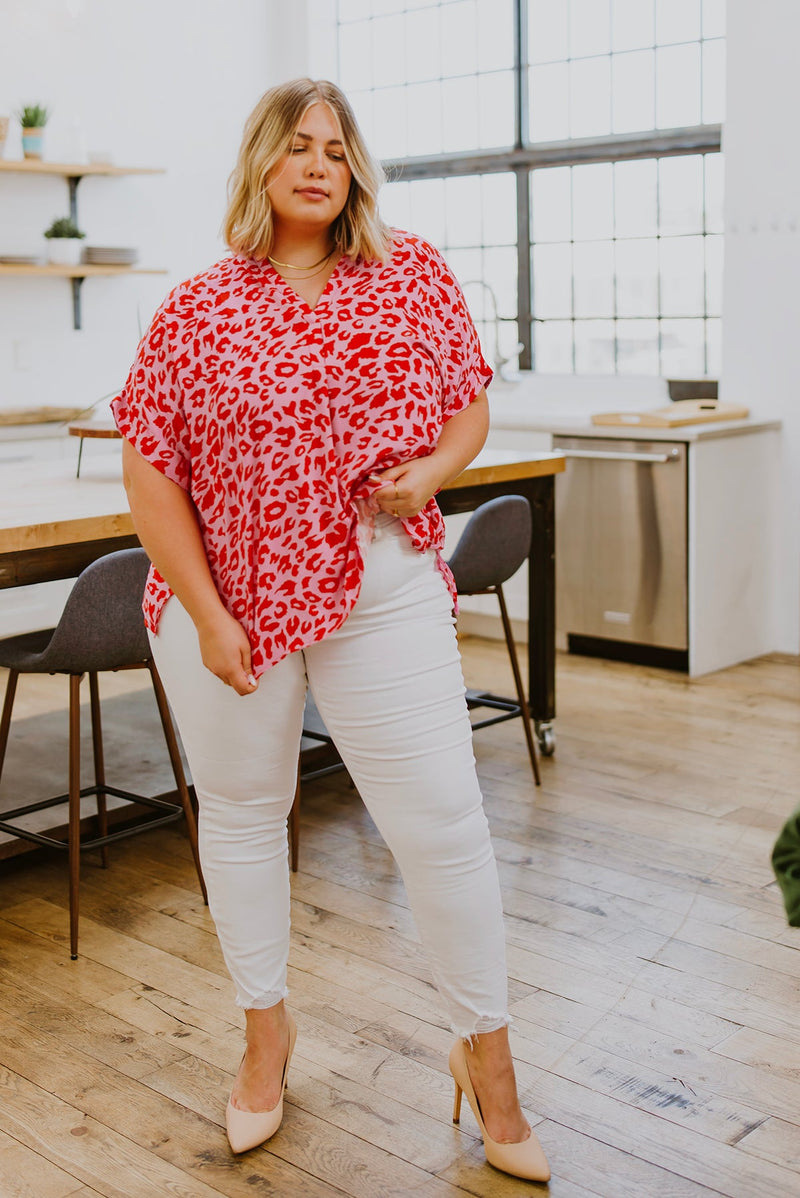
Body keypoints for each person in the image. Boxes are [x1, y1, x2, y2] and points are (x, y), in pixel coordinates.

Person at [113, 77, 550, 1182]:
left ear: (354, 169)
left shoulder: (409, 277)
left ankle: (486, 1058)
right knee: (246, 815)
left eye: (337, 148)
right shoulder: (197, 307)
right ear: (261, 161)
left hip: (379, 580)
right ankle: (266, 1033)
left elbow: (466, 403)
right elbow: (149, 469)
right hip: (229, 603)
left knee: (443, 821)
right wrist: (209, 616)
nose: (319, 163)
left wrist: (432, 472)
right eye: (298, 145)